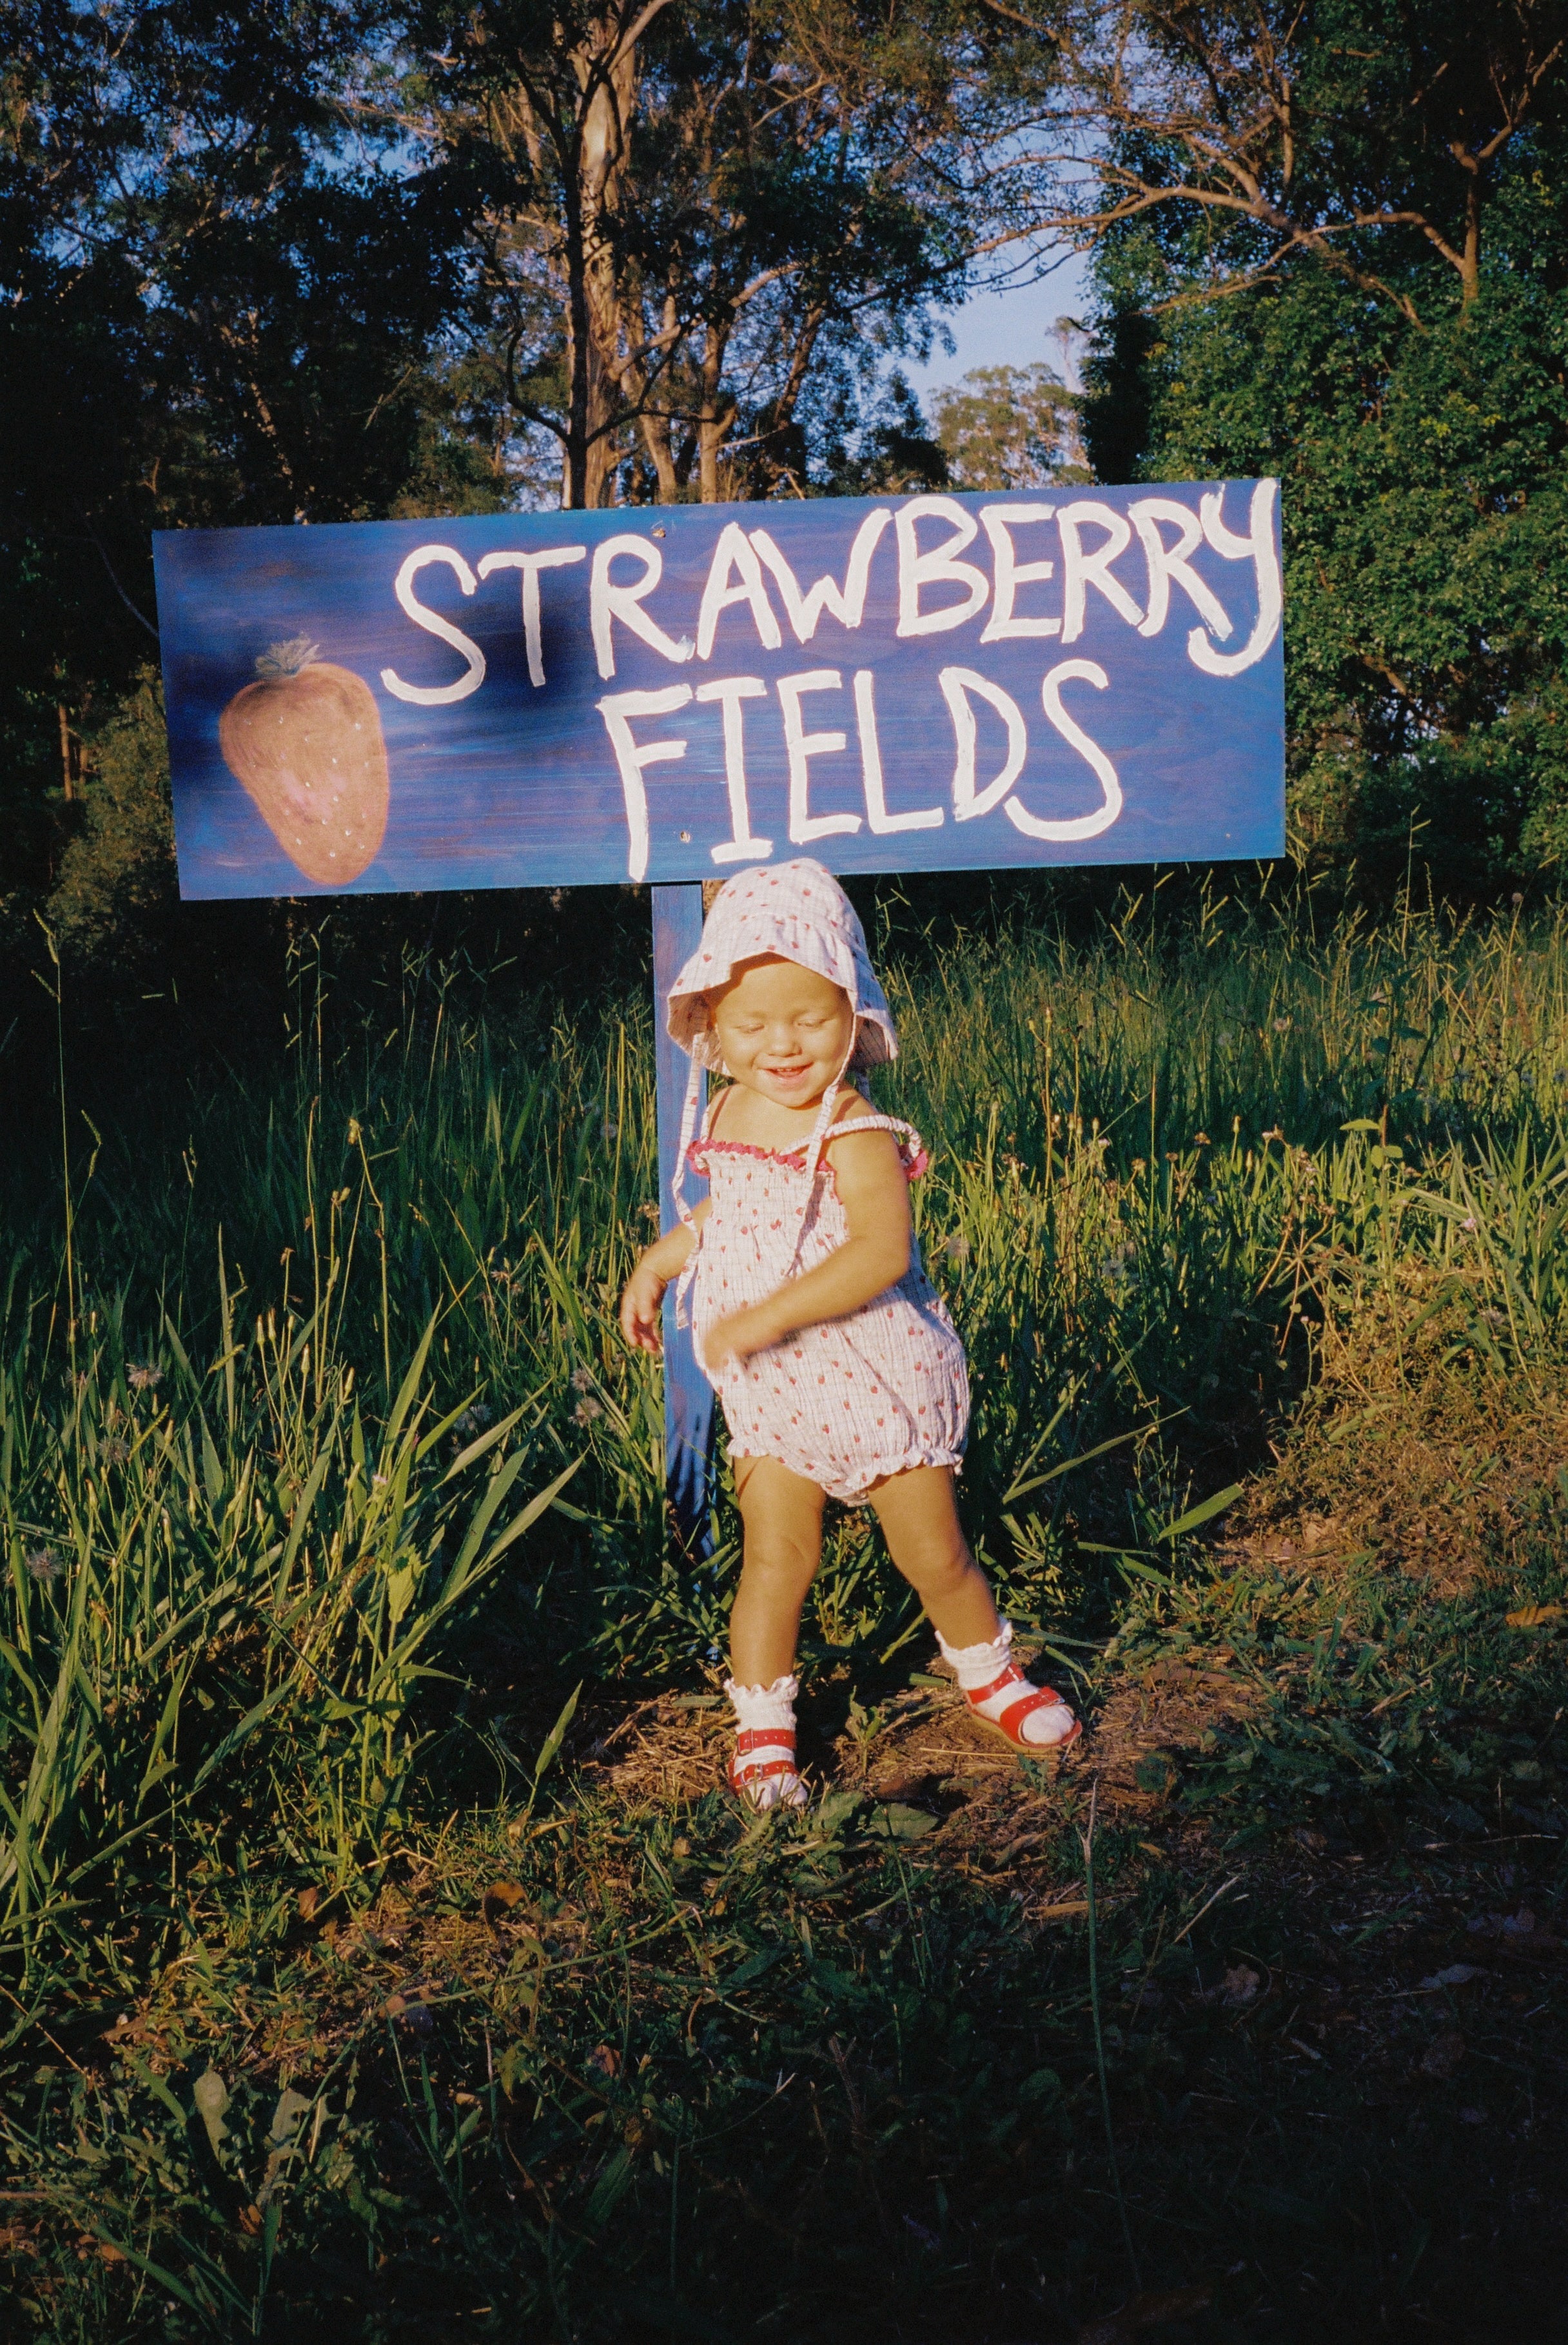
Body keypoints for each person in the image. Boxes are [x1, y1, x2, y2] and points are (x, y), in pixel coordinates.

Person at [619, 860, 1081, 1810]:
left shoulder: (854, 1128)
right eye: (753, 1026)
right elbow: (732, 1216)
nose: (783, 1046)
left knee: (933, 1555)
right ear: (714, 1028)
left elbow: (879, 1251)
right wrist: (662, 1261)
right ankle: (764, 1727)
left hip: (877, 1377)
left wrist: (765, 1316)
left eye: (810, 1020)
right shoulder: (740, 1111)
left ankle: (987, 1672)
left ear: (854, 1012)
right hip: (775, 1395)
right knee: (776, 1559)